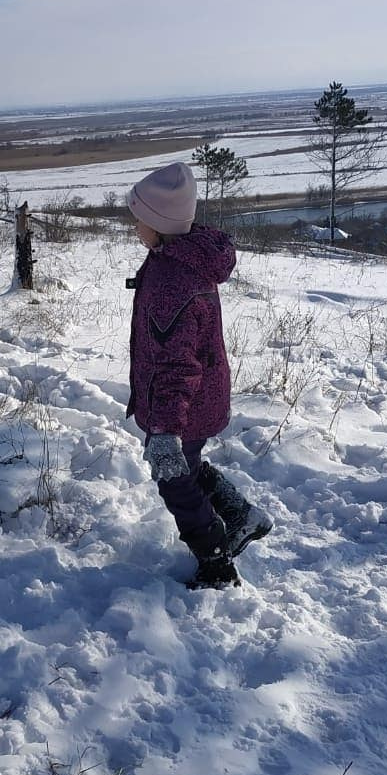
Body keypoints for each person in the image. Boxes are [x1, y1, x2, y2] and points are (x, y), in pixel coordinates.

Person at [125, 162, 273, 589]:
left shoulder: (174, 281)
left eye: (139, 218)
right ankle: (243, 515)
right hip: (195, 399)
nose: (135, 226)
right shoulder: (175, 258)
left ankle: (216, 563)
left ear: (158, 223)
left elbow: (177, 363)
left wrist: (167, 429)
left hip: (182, 405)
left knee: (175, 480)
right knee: (185, 468)